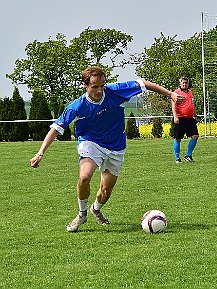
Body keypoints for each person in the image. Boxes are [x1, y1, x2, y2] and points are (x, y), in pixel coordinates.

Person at [30, 66, 185, 232]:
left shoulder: (115, 92)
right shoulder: (76, 107)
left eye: (102, 85)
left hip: (116, 146)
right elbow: (55, 129)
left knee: (105, 190)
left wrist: (170, 94)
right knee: (84, 176)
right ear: (85, 85)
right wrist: (40, 153)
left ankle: (95, 209)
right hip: (91, 143)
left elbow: (143, 83)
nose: (99, 90)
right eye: (94, 87)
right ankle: (82, 214)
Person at [171, 76, 199, 163]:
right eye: (183, 83)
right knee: (178, 138)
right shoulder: (176, 93)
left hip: (190, 119)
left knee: (195, 136)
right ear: (180, 83)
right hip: (180, 118)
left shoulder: (190, 92)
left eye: (186, 83)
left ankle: (188, 155)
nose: (184, 84)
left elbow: (191, 104)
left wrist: (195, 115)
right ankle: (177, 158)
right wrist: (175, 116)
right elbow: (173, 105)